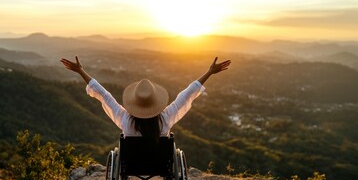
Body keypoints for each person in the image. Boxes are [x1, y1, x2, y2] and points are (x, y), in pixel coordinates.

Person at [60, 56, 231, 143]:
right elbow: (187, 94)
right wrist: (209, 72)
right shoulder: (165, 120)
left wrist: (81, 71)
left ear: (134, 104)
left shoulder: (125, 120)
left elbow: (104, 95)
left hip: (132, 165)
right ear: (156, 103)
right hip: (161, 164)